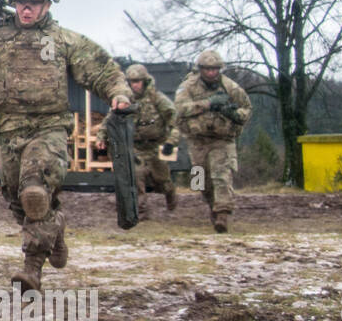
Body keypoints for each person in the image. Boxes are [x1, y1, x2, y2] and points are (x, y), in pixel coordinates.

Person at [0, 0, 131, 292]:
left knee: (34, 192)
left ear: (47, 4)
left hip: (49, 129)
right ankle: (54, 230)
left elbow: (100, 67)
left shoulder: (62, 40)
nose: (26, 10)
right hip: (4, 131)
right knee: (19, 201)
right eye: (20, 3)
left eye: (33, 3)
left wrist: (119, 93)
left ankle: (32, 270)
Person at [174, 50, 251, 233]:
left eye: (215, 69)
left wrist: (231, 113)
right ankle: (212, 205)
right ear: (200, 69)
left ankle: (223, 213)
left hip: (222, 140)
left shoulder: (230, 87)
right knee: (200, 181)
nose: (211, 73)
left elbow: (246, 108)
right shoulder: (188, 87)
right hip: (197, 141)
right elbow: (179, 110)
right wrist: (207, 104)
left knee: (221, 176)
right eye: (207, 69)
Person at [96, 63, 179, 218]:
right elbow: (109, 121)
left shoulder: (158, 99)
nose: (135, 85)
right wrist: (101, 137)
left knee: (162, 181)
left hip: (155, 146)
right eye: (132, 82)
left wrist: (171, 142)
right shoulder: (124, 101)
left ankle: (170, 193)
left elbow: (175, 121)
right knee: (135, 175)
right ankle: (140, 210)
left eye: (138, 81)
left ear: (145, 81)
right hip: (135, 147)